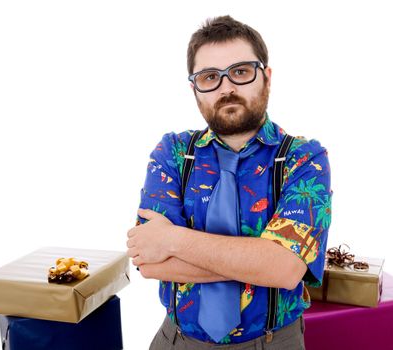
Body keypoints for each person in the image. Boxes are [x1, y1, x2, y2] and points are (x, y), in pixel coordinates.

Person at [126, 15, 332, 349]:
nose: (226, 87)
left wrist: (172, 239)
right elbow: (150, 262)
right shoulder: (174, 153)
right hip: (175, 340)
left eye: (240, 71)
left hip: (272, 342)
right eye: (210, 77)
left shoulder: (303, 158)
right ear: (194, 89)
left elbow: (285, 269)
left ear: (266, 77)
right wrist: (258, 261)